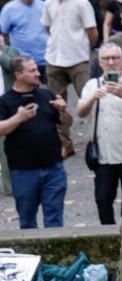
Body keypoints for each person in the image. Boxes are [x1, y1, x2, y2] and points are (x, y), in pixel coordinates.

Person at [0, 57, 70, 228]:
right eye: (32, 71)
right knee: (27, 220)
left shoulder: (47, 95)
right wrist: (19, 117)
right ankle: (31, 254)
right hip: (23, 171)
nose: (38, 73)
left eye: (37, 70)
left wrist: (63, 110)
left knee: (54, 218)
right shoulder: (5, 101)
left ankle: (54, 253)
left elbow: (67, 123)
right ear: (18, 75)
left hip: (54, 168)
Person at [76, 42, 122, 224]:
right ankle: (107, 233)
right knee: (103, 199)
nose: (111, 62)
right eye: (106, 58)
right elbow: (80, 112)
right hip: (103, 156)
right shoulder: (92, 85)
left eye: (115, 58)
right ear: (100, 62)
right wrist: (93, 98)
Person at [41, 0, 98, 155]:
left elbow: (92, 32)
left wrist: (81, 47)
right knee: (56, 105)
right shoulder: (48, 1)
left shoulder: (81, 2)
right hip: (54, 59)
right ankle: (65, 145)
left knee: (91, 101)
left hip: (78, 60)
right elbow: (48, 27)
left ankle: (97, 141)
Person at [0, 0, 48, 76]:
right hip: (23, 63)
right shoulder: (9, 9)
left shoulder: (44, 6)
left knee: (49, 91)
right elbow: (2, 34)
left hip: (46, 59)